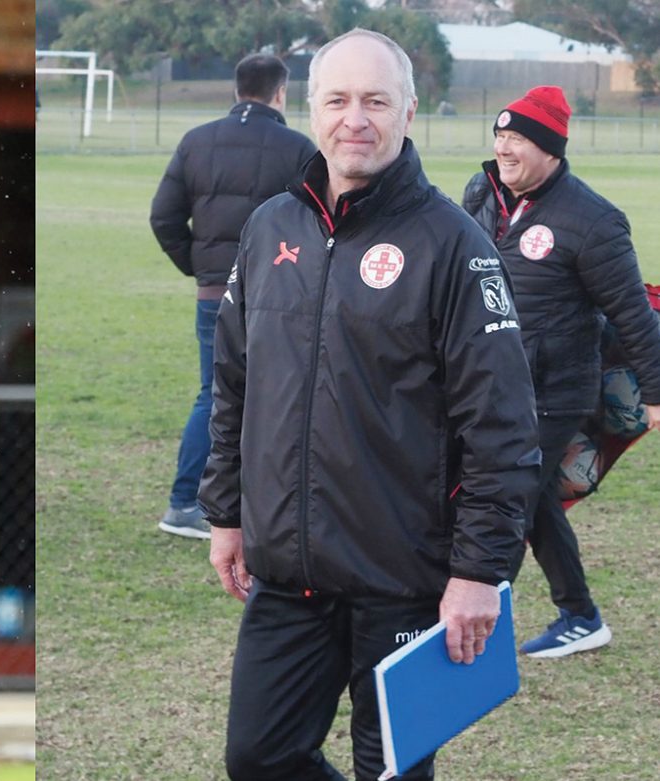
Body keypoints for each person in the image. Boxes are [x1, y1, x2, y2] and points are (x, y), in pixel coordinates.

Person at [198, 30, 541, 780]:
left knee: (391, 771)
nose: (356, 118)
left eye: (376, 100)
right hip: (289, 573)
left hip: (405, 577)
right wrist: (226, 511)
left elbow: (504, 427)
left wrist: (479, 570)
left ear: (409, 112)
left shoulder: (454, 245)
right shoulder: (269, 228)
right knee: (258, 757)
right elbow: (232, 383)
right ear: (310, 110)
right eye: (339, 100)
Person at [462, 85, 660, 658]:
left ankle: (475, 634)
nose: (504, 148)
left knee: (506, 500)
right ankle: (580, 614)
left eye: (518, 138)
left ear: (549, 148)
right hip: (488, 381)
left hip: (553, 389)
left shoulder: (594, 220)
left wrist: (655, 392)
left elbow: (631, 312)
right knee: (537, 499)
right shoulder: (482, 191)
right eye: (499, 136)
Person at [149, 54, 315, 539]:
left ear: (237, 88)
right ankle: (261, 505)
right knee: (280, 397)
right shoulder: (297, 147)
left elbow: (164, 217)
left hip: (213, 293)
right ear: (281, 93)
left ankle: (185, 504)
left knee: (215, 394)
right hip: (277, 297)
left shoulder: (196, 141)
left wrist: (201, 269)